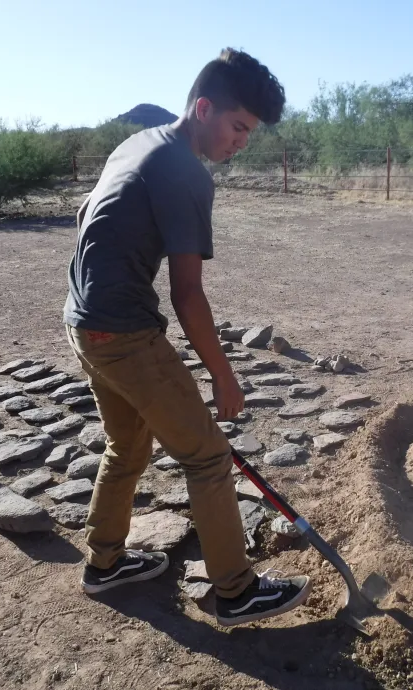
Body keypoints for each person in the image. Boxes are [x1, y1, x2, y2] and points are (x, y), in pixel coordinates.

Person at [63, 48, 311, 627]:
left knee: (128, 445)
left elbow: (85, 213)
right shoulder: (186, 173)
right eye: (238, 127)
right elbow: (188, 295)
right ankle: (237, 591)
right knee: (206, 455)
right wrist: (224, 375)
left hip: (82, 320)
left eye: (249, 132)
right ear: (204, 108)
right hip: (121, 332)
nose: (241, 142)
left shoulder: (139, 142)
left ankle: (104, 564)